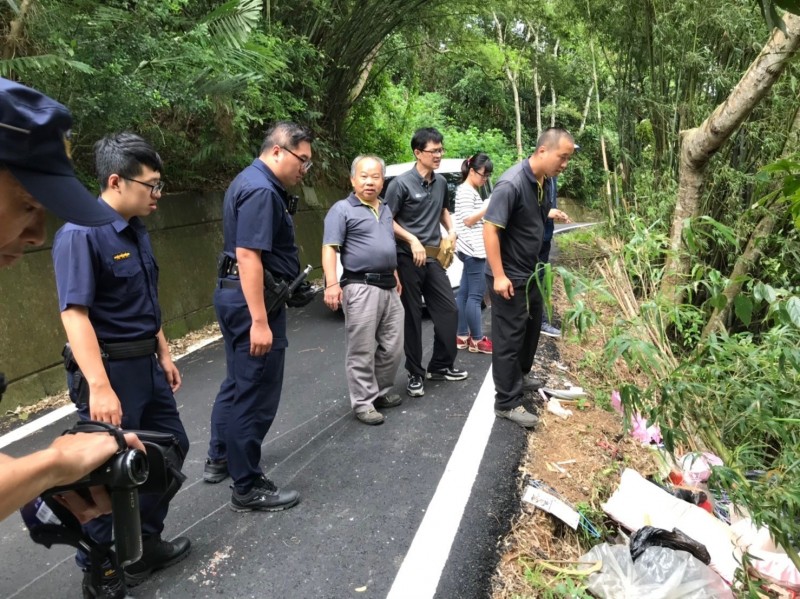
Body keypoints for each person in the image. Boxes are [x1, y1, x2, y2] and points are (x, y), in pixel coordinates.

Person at [52, 132, 191, 596]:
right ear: (116, 181)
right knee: (109, 469)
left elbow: (144, 302)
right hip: (110, 372)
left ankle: (143, 544)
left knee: (166, 452)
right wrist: (99, 386)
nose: (158, 193)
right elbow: (75, 314)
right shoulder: (80, 233)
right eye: (150, 184)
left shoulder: (135, 229)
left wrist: (165, 353)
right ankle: (102, 567)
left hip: (146, 364)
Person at [204, 121, 312, 513]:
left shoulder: (249, 181)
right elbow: (249, 254)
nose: (304, 169)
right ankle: (247, 485)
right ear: (278, 151)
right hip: (254, 303)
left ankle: (221, 457)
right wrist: (260, 321)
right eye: (303, 160)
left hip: (238, 295)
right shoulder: (262, 191)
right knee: (256, 392)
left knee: (238, 382)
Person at [483, 128, 573, 429]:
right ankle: (506, 402)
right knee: (508, 339)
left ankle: (520, 377)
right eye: (562, 157)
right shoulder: (511, 183)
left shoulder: (542, 181)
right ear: (543, 151)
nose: (565, 164)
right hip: (509, 275)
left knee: (531, 329)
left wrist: (552, 213)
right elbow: (491, 229)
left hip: (532, 272)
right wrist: (498, 275)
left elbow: (532, 213)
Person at [384, 128, 468, 398]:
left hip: (433, 259)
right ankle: (415, 374)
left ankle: (440, 366)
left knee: (448, 311)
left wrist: (451, 230)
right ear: (418, 153)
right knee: (412, 318)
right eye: (434, 151)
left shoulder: (441, 182)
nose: (439, 155)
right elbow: (387, 219)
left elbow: (443, 209)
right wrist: (411, 240)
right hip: (407, 259)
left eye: (441, 149)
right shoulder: (400, 184)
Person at [322, 155, 404, 425]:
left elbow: (387, 243)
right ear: (353, 179)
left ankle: (379, 392)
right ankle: (363, 402)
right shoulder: (342, 209)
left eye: (375, 177)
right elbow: (330, 248)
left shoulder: (385, 208)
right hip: (360, 285)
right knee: (361, 349)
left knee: (392, 346)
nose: (369, 182)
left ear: (383, 181)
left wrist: (394, 274)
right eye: (364, 176)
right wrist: (332, 283)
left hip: (389, 287)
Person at [454, 153, 493, 354]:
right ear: (472, 171)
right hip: (474, 250)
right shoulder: (467, 192)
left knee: (463, 293)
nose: (484, 179)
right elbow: (469, 220)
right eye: (483, 175)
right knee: (475, 296)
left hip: (468, 249)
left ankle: (461, 336)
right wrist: (487, 207)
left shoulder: (465, 190)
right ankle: (477, 340)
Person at [538, 175, 562, 338]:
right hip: (534, 238)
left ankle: (538, 320)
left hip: (545, 235)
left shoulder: (552, 178)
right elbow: (527, 208)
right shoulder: (534, 176)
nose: (564, 163)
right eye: (562, 157)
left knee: (541, 279)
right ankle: (540, 321)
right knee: (537, 280)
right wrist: (547, 212)